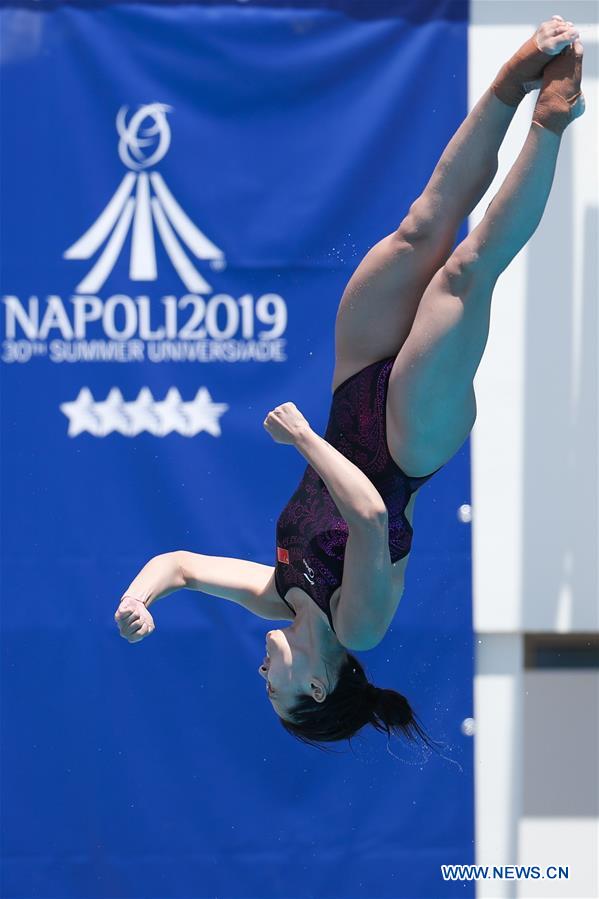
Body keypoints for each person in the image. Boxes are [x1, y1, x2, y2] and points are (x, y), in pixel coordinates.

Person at [114, 17, 584, 750]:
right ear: (314, 686)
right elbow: (367, 516)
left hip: (351, 395)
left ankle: (508, 84)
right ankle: (551, 119)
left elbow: (178, 565)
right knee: (465, 270)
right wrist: (301, 436)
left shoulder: (276, 594)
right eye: (273, 692)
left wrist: (136, 601)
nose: (261, 677)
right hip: (405, 442)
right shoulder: (358, 621)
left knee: (419, 228)